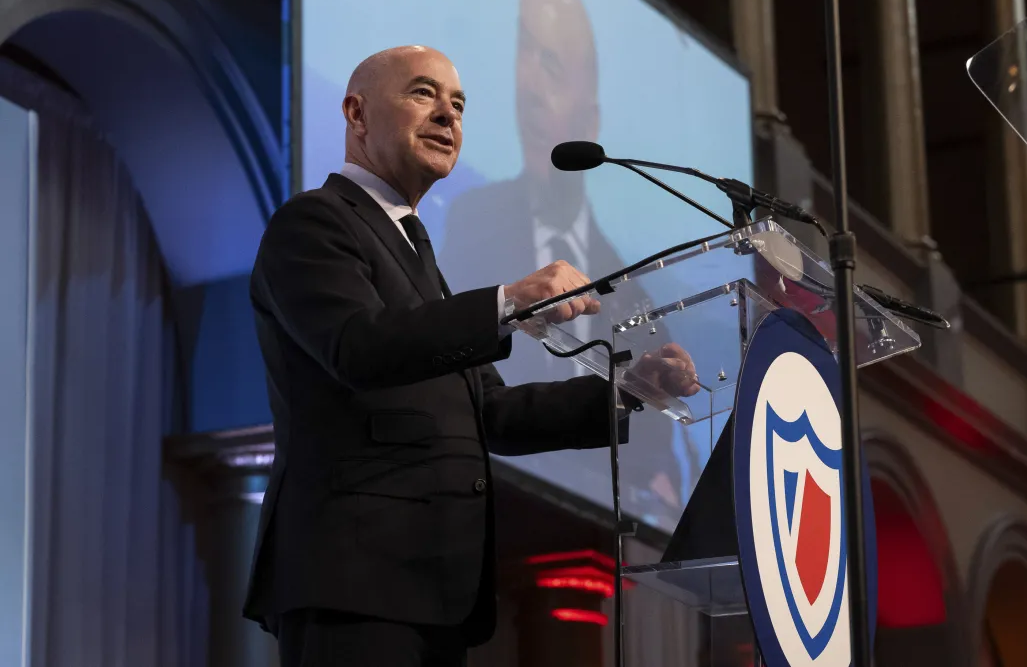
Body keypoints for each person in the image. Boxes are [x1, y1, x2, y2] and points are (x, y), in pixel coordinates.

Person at [243, 45, 697, 667]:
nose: (448, 116)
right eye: (423, 94)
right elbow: (357, 346)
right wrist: (507, 303)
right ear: (356, 112)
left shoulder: (415, 255)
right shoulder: (314, 223)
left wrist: (628, 390)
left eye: (458, 104)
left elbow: (494, 411)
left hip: (435, 589)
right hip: (355, 579)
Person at [442, 0, 687, 522]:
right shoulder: (471, 221)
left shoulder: (630, 288)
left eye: (551, 66)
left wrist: (657, 452)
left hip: (598, 527)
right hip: (487, 501)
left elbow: (658, 459)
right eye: (525, 54)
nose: (529, 86)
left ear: (591, 121)